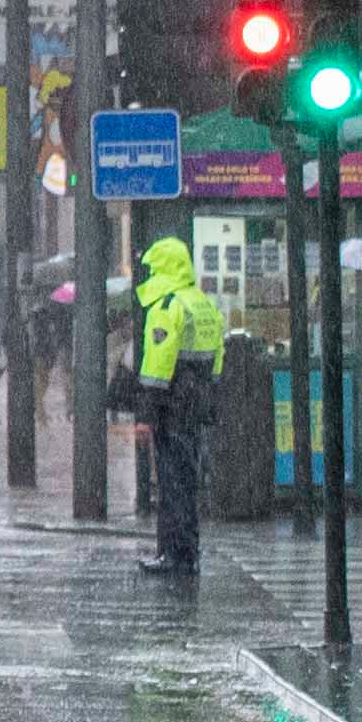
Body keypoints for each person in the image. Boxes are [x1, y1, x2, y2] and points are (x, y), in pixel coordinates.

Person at [134, 237, 226, 576]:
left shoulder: (167, 305)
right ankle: (188, 552)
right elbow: (218, 357)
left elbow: (156, 367)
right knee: (187, 483)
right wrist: (209, 398)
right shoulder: (201, 303)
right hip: (195, 405)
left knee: (171, 484)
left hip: (171, 406)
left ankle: (171, 554)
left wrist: (145, 416)